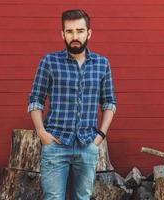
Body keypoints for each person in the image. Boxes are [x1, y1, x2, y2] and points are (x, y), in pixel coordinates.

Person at [28, 9, 116, 200]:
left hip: (87, 145)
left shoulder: (102, 64)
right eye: (69, 32)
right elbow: (35, 100)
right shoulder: (49, 62)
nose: (75, 36)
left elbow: (109, 103)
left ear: (89, 33)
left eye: (80, 30)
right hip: (55, 145)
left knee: (82, 198)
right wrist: (42, 134)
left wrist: (100, 137)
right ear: (63, 34)